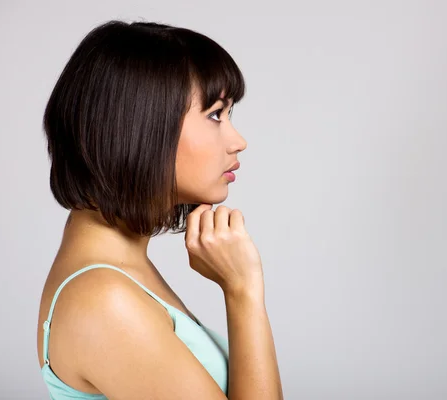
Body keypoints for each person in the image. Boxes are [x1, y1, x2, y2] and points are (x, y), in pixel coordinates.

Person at [36, 20, 283, 399]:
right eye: (216, 114)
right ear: (140, 125)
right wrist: (243, 291)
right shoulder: (103, 299)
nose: (238, 141)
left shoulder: (118, 269)